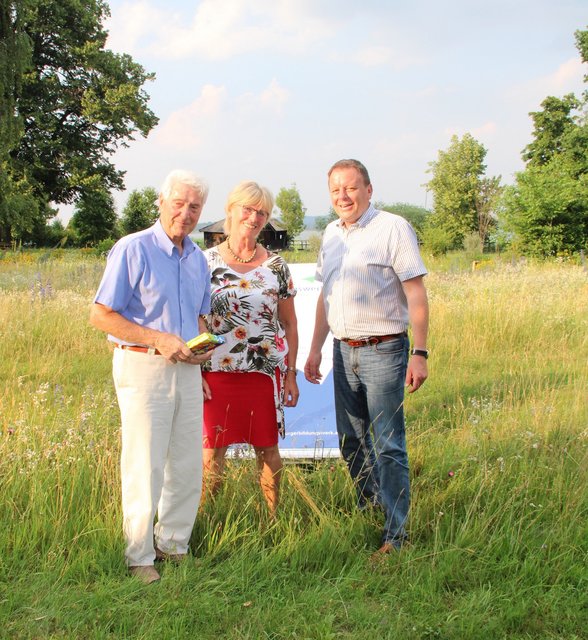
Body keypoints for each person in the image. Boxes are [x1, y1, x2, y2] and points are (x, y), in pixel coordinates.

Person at [90, 169, 213, 584]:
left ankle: (173, 545)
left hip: (187, 370)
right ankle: (139, 556)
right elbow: (101, 314)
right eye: (178, 202)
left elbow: (199, 315)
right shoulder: (133, 248)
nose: (186, 212)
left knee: (185, 463)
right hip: (143, 365)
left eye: (194, 206)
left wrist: (202, 349)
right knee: (144, 463)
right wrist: (157, 338)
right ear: (161, 202)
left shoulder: (197, 258)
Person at [304, 159, 429, 556]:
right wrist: (314, 350)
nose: (343, 196)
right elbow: (326, 298)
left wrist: (420, 353)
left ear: (369, 190)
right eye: (336, 190)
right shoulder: (330, 235)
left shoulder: (393, 228)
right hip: (344, 351)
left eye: (351, 188)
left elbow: (416, 294)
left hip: (385, 350)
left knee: (389, 443)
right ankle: (370, 504)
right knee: (350, 439)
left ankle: (397, 535)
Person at [201, 180, 299, 515]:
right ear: (230, 210)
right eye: (248, 208)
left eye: (263, 212)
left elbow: (290, 324)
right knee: (212, 452)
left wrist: (291, 374)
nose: (254, 217)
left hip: (262, 372)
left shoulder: (276, 266)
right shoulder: (203, 262)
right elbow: (193, 319)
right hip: (215, 372)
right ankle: (204, 520)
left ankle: (273, 521)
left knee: (268, 449)